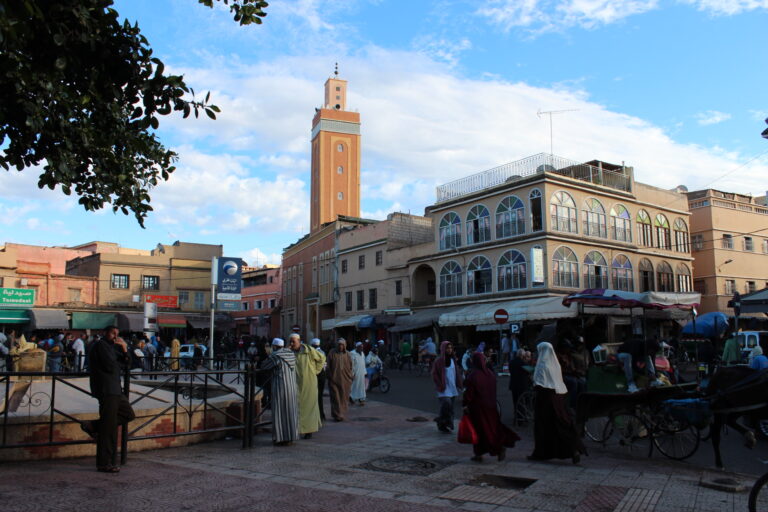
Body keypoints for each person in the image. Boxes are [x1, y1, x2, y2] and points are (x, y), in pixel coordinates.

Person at [82, 326, 136, 473]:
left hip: (116, 389)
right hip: (106, 389)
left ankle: (93, 426)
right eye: (113, 333)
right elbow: (111, 366)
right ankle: (104, 463)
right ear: (104, 333)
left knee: (128, 414)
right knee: (108, 429)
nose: (115, 336)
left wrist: (125, 349)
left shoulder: (114, 348)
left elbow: (128, 364)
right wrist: (120, 361)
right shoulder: (101, 346)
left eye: (117, 334)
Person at [527, 342, 584, 464]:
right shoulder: (555, 364)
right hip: (558, 398)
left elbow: (539, 383)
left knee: (543, 428)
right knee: (560, 424)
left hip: (545, 400)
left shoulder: (542, 365)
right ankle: (573, 450)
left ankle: (541, 453)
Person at [462, 351, 519, 462]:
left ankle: (493, 449)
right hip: (492, 406)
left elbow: (469, 394)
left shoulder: (473, 375)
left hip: (478, 408)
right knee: (492, 428)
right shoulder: (490, 374)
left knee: (481, 430)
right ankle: (480, 453)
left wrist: (465, 404)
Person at [260, 338, 299, 446]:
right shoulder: (291, 354)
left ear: (274, 347)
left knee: (280, 413)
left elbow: (264, 366)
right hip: (291, 388)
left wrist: (267, 354)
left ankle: (281, 437)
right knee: (291, 412)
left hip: (280, 388)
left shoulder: (276, 356)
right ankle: (291, 436)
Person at [290, 333, 325, 439]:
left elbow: (322, 358)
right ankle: (298, 429)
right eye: (290, 341)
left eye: (293, 342)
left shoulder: (309, 350)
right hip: (296, 383)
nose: (291, 344)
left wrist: (316, 371)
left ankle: (309, 430)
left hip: (309, 383)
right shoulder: (290, 352)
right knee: (297, 407)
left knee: (309, 407)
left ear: (299, 341)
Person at [432, 341, 463, 433]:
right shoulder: (438, 361)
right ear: (443, 349)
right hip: (443, 388)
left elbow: (456, 373)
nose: (449, 350)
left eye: (450, 348)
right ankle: (442, 420)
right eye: (447, 348)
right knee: (447, 403)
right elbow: (434, 374)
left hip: (452, 387)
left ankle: (444, 424)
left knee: (450, 408)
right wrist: (440, 384)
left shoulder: (453, 360)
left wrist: (460, 384)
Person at [326, 338, 354, 421]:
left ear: (345, 345)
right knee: (335, 398)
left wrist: (350, 376)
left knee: (344, 398)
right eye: (339, 345)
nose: (340, 346)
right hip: (334, 379)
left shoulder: (348, 354)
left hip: (345, 381)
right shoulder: (332, 353)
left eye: (342, 345)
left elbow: (351, 366)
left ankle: (342, 413)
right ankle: (337, 415)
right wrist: (329, 376)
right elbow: (328, 366)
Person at [508, 349, 532, 425]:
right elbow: (529, 371)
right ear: (522, 355)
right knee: (521, 403)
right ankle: (521, 421)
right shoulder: (522, 363)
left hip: (513, 385)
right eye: (524, 355)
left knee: (515, 402)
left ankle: (516, 417)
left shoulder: (511, 362)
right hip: (521, 385)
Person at [310, 338, 327, 420]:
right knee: (320, 396)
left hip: (315, 375)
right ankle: (321, 414)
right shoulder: (323, 352)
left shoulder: (312, 353)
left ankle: (317, 415)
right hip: (322, 375)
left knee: (314, 396)